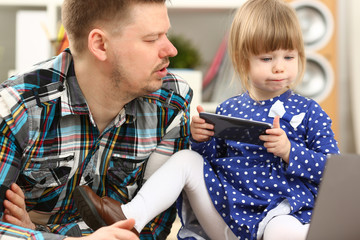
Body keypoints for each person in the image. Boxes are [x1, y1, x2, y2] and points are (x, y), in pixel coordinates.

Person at [73, 0, 340, 239]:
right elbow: (213, 164)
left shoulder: (309, 111)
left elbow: (333, 171)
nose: (279, 66)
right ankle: (130, 216)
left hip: (279, 216)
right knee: (186, 159)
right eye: (267, 58)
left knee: (283, 231)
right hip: (229, 216)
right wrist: (201, 140)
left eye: (289, 57)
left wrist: (290, 152)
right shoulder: (230, 108)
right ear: (242, 60)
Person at [0, 0, 192, 239]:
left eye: (166, 34)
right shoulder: (18, 108)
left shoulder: (171, 103)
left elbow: (152, 229)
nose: (171, 49)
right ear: (100, 44)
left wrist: (34, 233)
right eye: (152, 39)